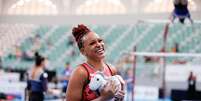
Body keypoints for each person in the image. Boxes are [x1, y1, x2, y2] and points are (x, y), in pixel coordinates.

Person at [66, 24, 125, 101]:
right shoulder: (80, 72)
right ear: (83, 51)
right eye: (92, 43)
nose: (99, 45)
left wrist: (119, 97)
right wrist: (103, 98)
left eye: (100, 41)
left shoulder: (111, 69)